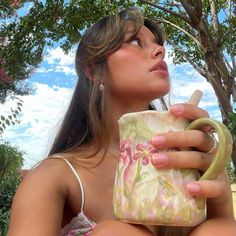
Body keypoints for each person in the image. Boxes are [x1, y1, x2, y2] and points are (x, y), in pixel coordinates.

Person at [7, 8, 236, 236]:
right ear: (92, 70)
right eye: (136, 42)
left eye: (158, 43)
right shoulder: (54, 177)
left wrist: (221, 209)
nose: (160, 51)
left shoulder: (191, 159)